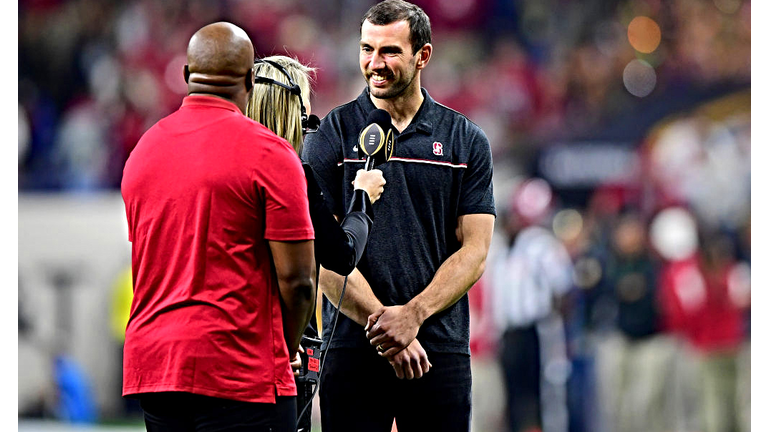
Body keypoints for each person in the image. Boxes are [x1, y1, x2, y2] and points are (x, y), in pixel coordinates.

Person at [302, 1, 496, 430]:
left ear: (422, 56)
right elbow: (322, 253)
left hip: (437, 348)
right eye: (366, 49)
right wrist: (388, 330)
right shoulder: (331, 134)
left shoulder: (465, 141)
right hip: (351, 348)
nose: (374, 63)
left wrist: (414, 315)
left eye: (389, 51)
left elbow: (475, 252)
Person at [120, 22, 316, 432]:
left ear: (187, 75)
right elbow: (299, 282)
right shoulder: (271, 154)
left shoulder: (143, 151)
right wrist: (286, 347)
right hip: (239, 370)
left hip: (156, 370)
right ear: (249, 80)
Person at [245, 55, 387, 432]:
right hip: (279, 353)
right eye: (306, 116)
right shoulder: (289, 171)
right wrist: (362, 197)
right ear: (292, 112)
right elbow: (341, 255)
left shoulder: (222, 166)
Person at [489, 178, 573, 432]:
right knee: (512, 395)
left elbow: (563, 290)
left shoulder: (540, 245)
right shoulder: (500, 248)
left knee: (541, 394)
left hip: (536, 330)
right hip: (508, 333)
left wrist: (555, 328)